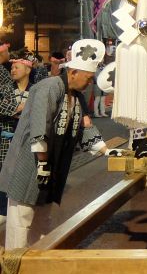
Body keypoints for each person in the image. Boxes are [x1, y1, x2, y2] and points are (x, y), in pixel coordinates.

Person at [0, 39, 116, 249]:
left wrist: (106, 150)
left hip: (50, 165)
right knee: (21, 221)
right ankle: (15, 267)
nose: (90, 83)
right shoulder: (49, 87)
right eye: (88, 78)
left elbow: (84, 126)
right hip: (29, 164)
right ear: (74, 73)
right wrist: (42, 162)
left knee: (42, 222)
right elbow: (39, 125)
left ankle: (38, 264)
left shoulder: (75, 96)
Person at [0, 51, 34, 227]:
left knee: (20, 174)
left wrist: (17, 110)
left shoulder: (35, 89)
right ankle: (2, 210)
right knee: (3, 174)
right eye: (12, 67)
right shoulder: (5, 88)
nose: (12, 70)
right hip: (5, 140)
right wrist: (21, 107)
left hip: (25, 140)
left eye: (16, 67)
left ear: (27, 70)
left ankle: (16, 209)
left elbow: (37, 111)